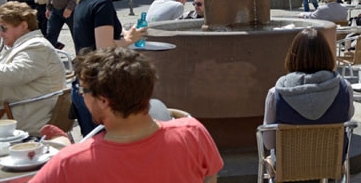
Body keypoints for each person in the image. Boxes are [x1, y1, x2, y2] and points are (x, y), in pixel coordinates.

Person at [31, 47, 223, 183]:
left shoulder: (69, 163)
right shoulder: (192, 132)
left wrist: (66, 150)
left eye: (82, 90)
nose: (81, 96)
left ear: (103, 100)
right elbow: (210, 177)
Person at [72, 0, 147, 135]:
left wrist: (123, 35)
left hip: (83, 84)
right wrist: (129, 40)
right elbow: (104, 47)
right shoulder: (102, 4)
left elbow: (92, 38)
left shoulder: (84, 1)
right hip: (98, 89)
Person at [0, 2, 65, 135]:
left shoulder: (36, 47)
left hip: (23, 123)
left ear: (23, 26)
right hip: (13, 115)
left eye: (4, 28)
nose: (0, 34)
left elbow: (13, 74)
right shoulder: (26, 45)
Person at [262, 27, 353, 150]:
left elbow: (269, 144)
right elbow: (347, 117)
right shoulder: (345, 88)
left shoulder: (275, 94)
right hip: (331, 160)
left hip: (289, 161)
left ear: (293, 56)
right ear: (327, 55)